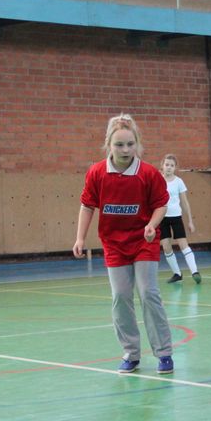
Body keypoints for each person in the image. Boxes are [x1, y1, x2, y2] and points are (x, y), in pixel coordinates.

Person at [73, 113, 175, 374]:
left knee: (148, 293)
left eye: (130, 144)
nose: (126, 149)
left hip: (144, 241)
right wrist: (80, 238)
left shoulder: (148, 173)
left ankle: (163, 353)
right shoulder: (97, 173)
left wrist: (152, 224)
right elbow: (87, 206)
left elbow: (161, 204)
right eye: (119, 145)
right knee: (120, 296)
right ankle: (131, 353)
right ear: (109, 145)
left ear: (137, 144)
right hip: (114, 244)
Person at [160, 154, 202, 284]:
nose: (169, 168)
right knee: (166, 247)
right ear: (162, 165)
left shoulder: (178, 182)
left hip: (176, 217)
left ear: (175, 168)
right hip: (162, 218)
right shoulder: (158, 180)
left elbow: (184, 202)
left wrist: (190, 221)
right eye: (167, 165)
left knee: (183, 245)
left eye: (172, 165)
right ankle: (177, 274)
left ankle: (194, 271)